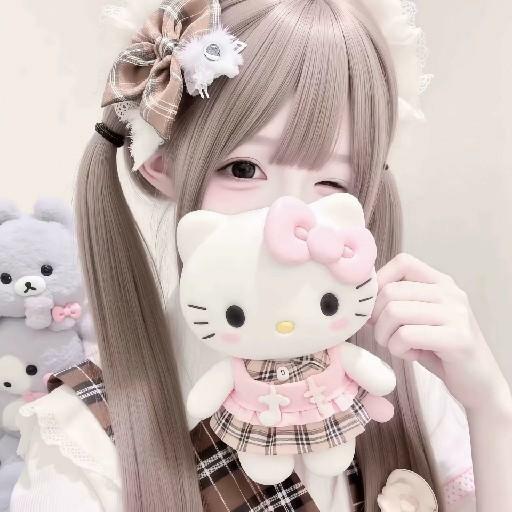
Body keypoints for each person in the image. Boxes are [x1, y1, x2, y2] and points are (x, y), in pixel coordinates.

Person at [10, 0, 512, 511]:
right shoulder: (83, 440)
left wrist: (492, 410)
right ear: (161, 162)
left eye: (333, 181)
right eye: (243, 169)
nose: (286, 224)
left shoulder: (404, 382)